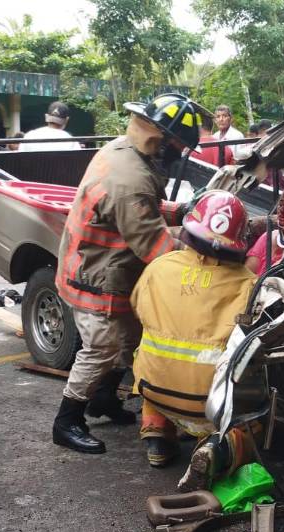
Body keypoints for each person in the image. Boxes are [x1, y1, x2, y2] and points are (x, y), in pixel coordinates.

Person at [51, 93, 203, 455]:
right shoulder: (130, 178)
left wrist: (181, 212)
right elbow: (154, 244)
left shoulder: (125, 150)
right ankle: (67, 419)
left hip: (103, 265)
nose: (179, 154)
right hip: (97, 274)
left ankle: (103, 399)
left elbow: (140, 208)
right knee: (102, 347)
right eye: (178, 146)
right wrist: (207, 254)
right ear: (161, 138)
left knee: (131, 335)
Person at [130, 190, 258, 469]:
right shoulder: (249, 283)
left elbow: (137, 309)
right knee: (258, 414)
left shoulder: (158, 267)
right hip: (208, 404)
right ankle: (218, 451)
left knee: (150, 358)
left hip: (153, 389)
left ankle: (157, 437)